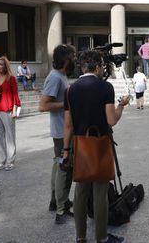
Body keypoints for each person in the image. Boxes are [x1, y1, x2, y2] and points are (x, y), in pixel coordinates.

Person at [63, 50, 129, 243]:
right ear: (98, 67)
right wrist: (122, 105)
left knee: (80, 192)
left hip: (79, 145)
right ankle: (101, 238)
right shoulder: (105, 87)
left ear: (82, 67)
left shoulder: (70, 90)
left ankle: (80, 237)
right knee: (100, 194)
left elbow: (67, 125)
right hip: (99, 144)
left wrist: (66, 151)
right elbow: (111, 120)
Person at [39, 44, 76, 224]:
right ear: (66, 59)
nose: (75, 60)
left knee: (58, 165)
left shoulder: (61, 76)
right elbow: (43, 105)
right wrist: (69, 104)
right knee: (65, 168)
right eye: (73, 56)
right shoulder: (55, 77)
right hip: (62, 133)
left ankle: (56, 201)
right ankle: (62, 208)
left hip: (61, 130)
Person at [0, 57, 21, 171]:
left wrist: (15, 111)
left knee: (10, 137)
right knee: (0, 136)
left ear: (5, 66)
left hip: (8, 111)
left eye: (1, 64)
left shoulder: (11, 79)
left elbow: (15, 96)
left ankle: (10, 161)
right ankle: (2, 160)